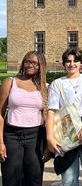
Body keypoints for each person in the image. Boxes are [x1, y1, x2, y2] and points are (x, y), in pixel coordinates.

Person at [46, 48, 82, 186]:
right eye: (68, 61)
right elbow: (51, 111)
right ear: (64, 64)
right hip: (66, 129)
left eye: (75, 61)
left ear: (81, 63)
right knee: (69, 179)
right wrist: (49, 137)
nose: (72, 64)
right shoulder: (57, 84)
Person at [0, 51, 49, 186]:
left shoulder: (46, 88)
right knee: (10, 178)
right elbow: (0, 113)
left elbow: (49, 118)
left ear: (41, 66)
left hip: (36, 136)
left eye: (34, 63)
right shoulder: (10, 82)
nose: (30, 65)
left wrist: (48, 146)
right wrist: (0, 142)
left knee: (34, 178)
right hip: (11, 136)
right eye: (27, 61)